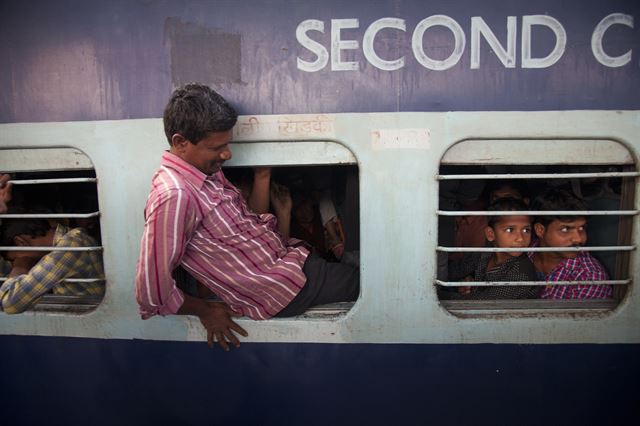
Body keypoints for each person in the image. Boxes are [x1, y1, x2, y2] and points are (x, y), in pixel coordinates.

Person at [134, 83, 359, 350]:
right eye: (216, 147)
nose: (227, 154)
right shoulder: (174, 195)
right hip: (286, 288)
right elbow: (151, 291)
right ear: (180, 143)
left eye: (227, 144)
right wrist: (205, 310)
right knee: (373, 286)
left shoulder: (206, 173)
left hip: (294, 264)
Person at [0, 215, 105, 313]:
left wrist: (20, 266)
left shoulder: (70, 246)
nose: (15, 262)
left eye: (14, 259)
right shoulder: (71, 240)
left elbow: (10, 303)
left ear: (20, 243)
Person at [442, 197, 539, 300]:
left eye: (526, 230)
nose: (520, 238)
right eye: (510, 230)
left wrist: (434, 295)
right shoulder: (486, 252)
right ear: (490, 234)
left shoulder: (521, 275)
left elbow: (479, 304)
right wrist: (462, 283)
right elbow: (454, 271)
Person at [529, 188, 612, 299]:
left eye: (582, 228)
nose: (578, 239)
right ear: (540, 230)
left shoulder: (590, 277)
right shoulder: (523, 252)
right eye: (565, 229)